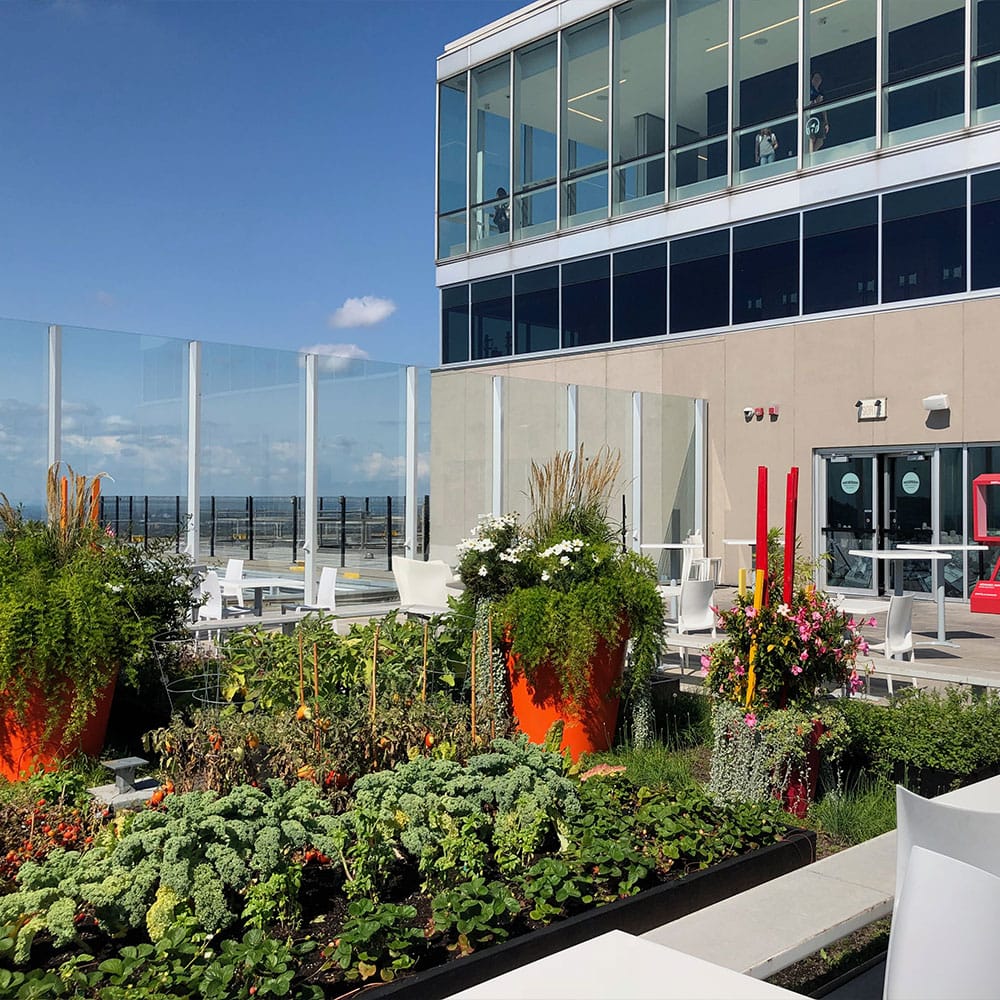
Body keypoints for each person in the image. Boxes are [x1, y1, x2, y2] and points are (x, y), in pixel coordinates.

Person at [807, 71, 829, 153]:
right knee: (812, 138)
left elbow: (824, 108)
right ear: (812, 79)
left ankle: (811, 154)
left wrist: (826, 122)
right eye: (815, 78)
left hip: (820, 118)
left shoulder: (821, 92)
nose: (817, 80)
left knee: (820, 141)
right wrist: (816, 101)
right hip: (811, 117)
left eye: (819, 79)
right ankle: (810, 156)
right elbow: (804, 104)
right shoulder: (809, 90)